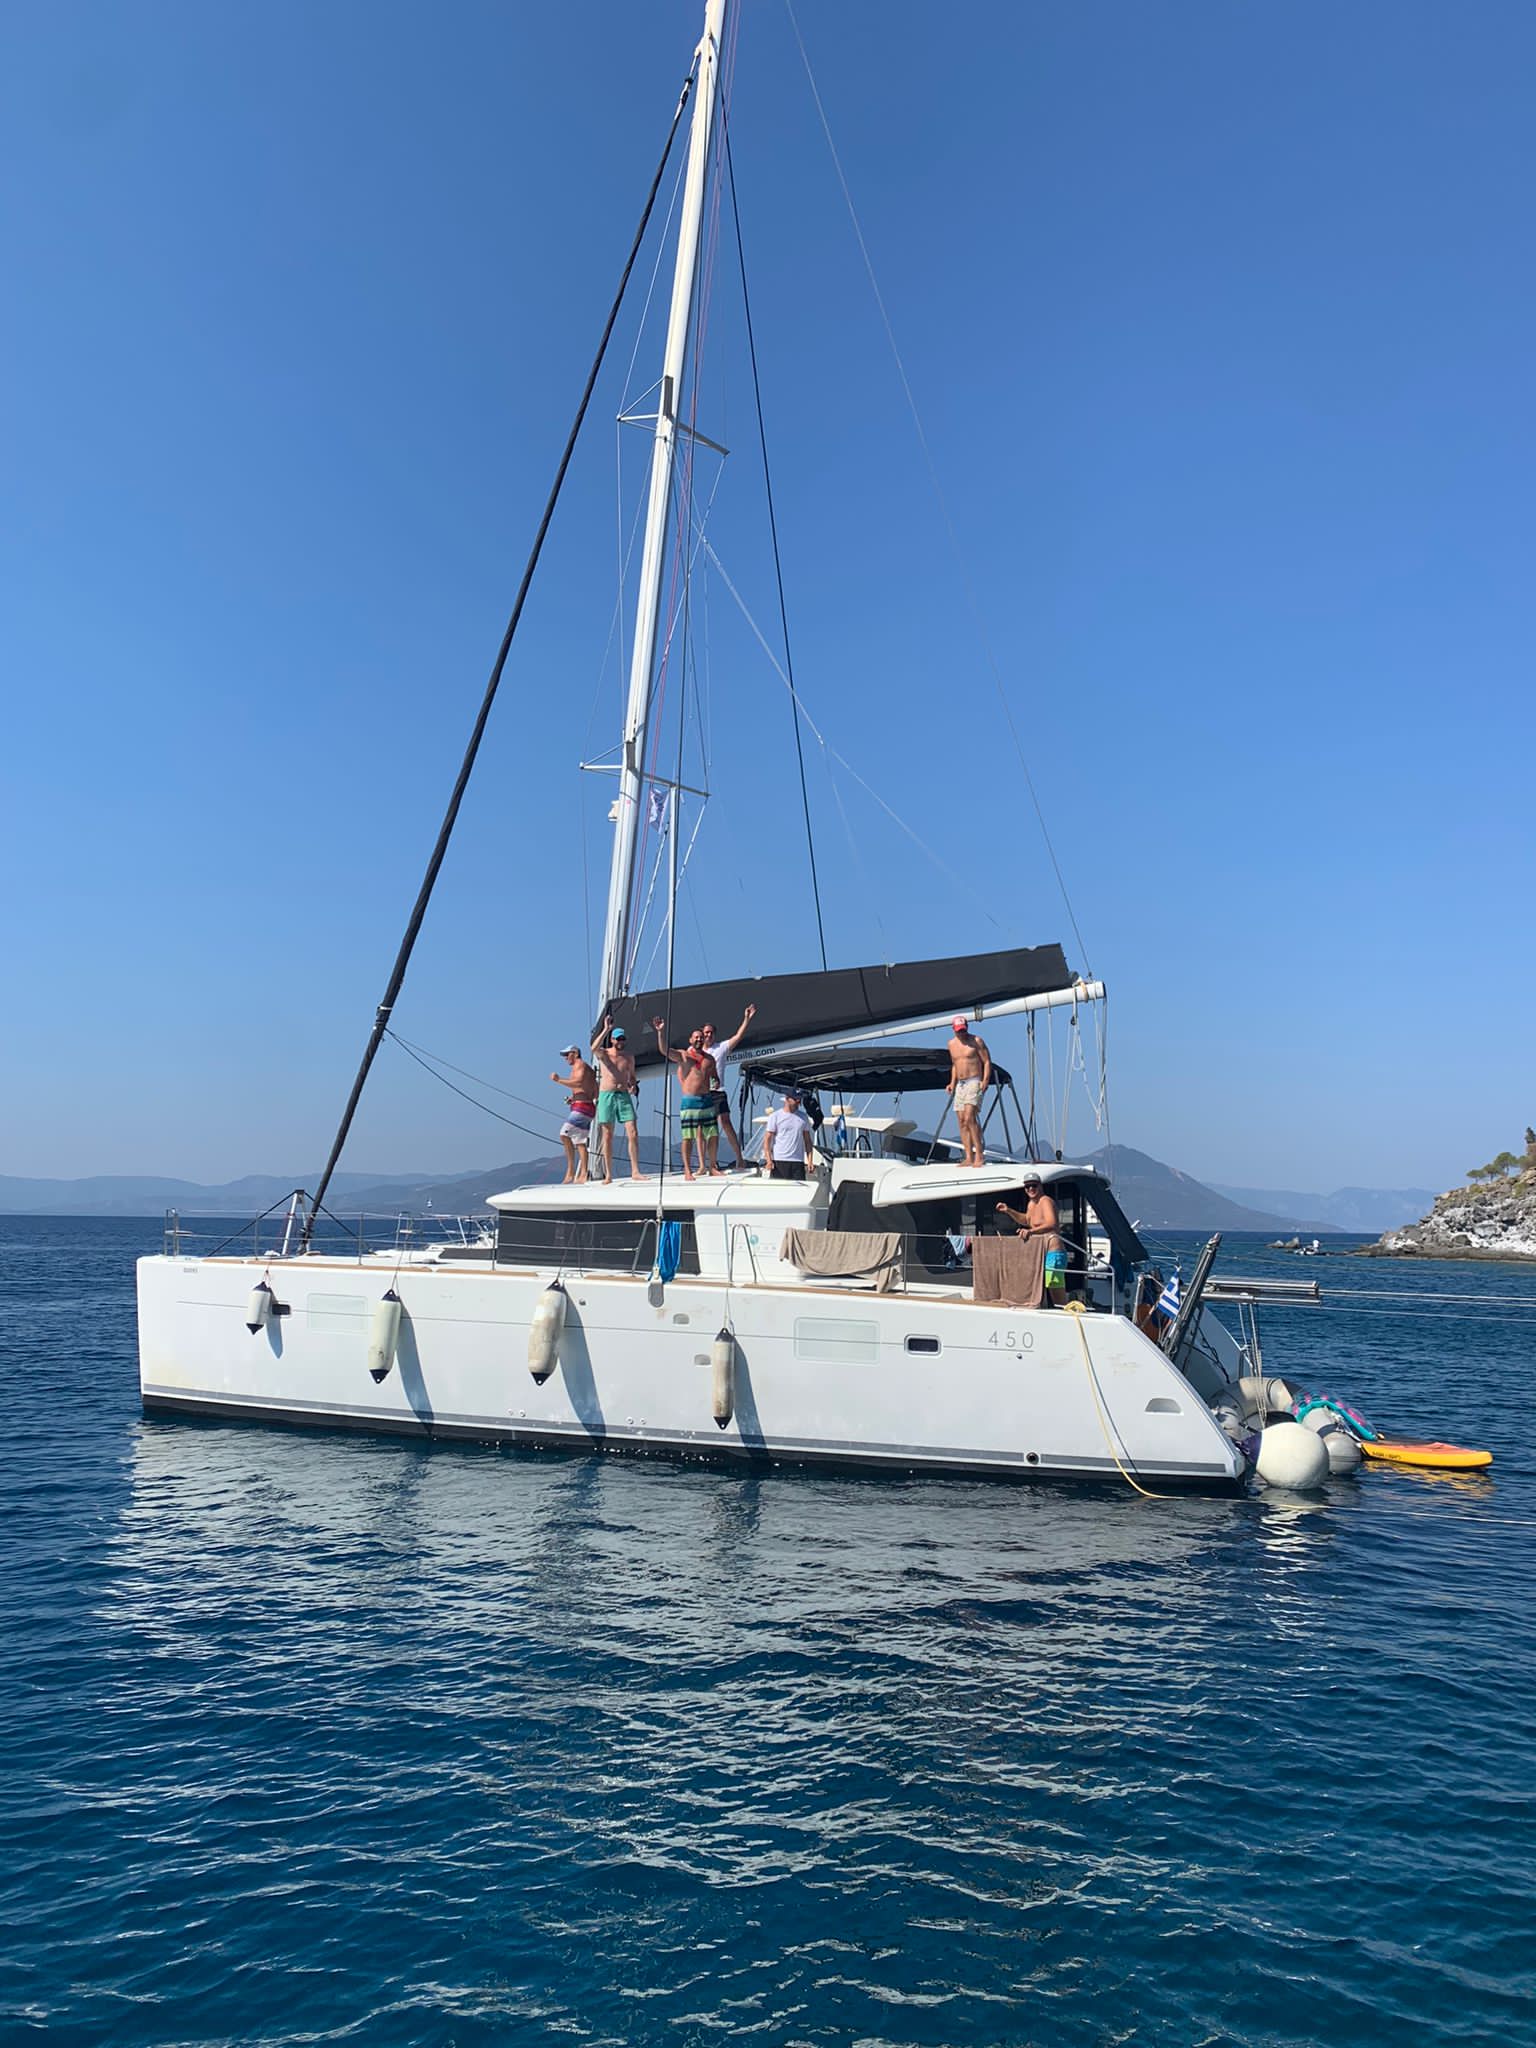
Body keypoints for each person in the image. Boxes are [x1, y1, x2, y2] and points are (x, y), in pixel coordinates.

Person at [652, 1017, 718, 1180]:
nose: (699, 1039)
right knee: (688, 1137)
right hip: (690, 1101)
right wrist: (660, 1032)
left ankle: (712, 1166)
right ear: (690, 1040)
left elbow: (714, 1076)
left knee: (713, 1134)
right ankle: (687, 1170)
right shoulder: (684, 1056)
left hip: (707, 1099)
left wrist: (716, 1081)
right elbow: (664, 1050)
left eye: (701, 1037)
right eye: (696, 1037)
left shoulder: (710, 1059)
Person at [698, 1004, 755, 1170]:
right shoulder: (696, 1052)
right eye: (706, 1032)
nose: (708, 1035)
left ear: (714, 1035)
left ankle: (739, 1158)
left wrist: (746, 1019)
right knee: (703, 1129)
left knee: (725, 1123)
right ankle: (706, 1164)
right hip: (702, 1093)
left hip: (718, 1091)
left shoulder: (721, 1048)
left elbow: (738, 1036)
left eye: (711, 1032)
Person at [995, 1174, 1066, 1305]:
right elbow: (1026, 1220)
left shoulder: (1046, 1201)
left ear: (1040, 1186)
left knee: (1054, 1284)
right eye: (1027, 1186)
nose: (1031, 1189)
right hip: (1039, 1252)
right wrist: (1008, 1210)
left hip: (1053, 1251)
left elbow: (1052, 1224)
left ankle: (1063, 1309)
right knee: (1040, 1284)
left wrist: (1030, 1231)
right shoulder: (1031, 1204)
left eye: (1034, 1185)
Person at [591, 1017, 644, 1181]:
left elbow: (632, 1076)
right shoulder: (604, 1054)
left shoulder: (628, 1057)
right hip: (607, 1095)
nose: (621, 1041)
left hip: (623, 1095)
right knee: (607, 1135)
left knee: (633, 1132)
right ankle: (608, 1174)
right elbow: (593, 1048)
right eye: (618, 1038)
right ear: (612, 1040)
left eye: (623, 1038)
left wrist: (633, 1086)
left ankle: (635, 1171)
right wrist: (606, 1029)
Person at [945, 1015, 993, 1167]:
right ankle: (968, 1156)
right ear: (954, 1030)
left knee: (969, 1117)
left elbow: (986, 1061)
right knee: (961, 1121)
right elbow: (955, 1064)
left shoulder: (976, 1041)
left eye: (963, 1030)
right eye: (959, 1031)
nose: (962, 1033)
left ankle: (979, 1154)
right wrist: (952, 1082)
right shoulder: (951, 1044)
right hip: (961, 1084)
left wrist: (985, 1080)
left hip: (974, 1081)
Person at [548, 1043, 598, 1184]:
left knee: (564, 1134)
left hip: (582, 1108)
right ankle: (583, 1174)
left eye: (567, 1054)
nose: (565, 1058)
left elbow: (578, 1083)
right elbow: (594, 1090)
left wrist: (558, 1080)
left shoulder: (580, 1065)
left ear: (575, 1054)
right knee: (580, 1142)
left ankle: (570, 1172)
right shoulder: (588, 1069)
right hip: (586, 1106)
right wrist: (575, 1098)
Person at [764, 1089, 814, 1181]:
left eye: (799, 1099)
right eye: (795, 1099)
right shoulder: (775, 1116)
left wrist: (810, 1161)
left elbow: (807, 1141)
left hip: (798, 1161)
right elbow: (767, 1140)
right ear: (787, 1099)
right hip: (780, 1160)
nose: (798, 1101)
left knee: (800, 1188)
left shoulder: (803, 1117)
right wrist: (769, 1160)